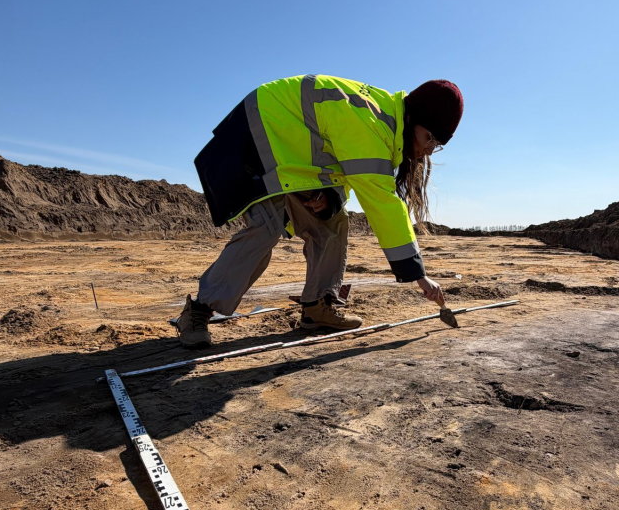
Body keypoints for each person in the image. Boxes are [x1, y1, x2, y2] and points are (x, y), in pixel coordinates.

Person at [175, 75, 463, 348]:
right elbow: (382, 203)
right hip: (260, 133)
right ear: (412, 117)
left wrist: (329, 199)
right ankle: (200, 310)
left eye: (436, 145)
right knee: (266, 227)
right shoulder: (373, 123)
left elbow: (346, 172)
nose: (428, 149)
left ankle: (317, 307)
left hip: (291, 153)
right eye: (429, 138)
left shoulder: (384, 124)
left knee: (332, 222)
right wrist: (419, 276)